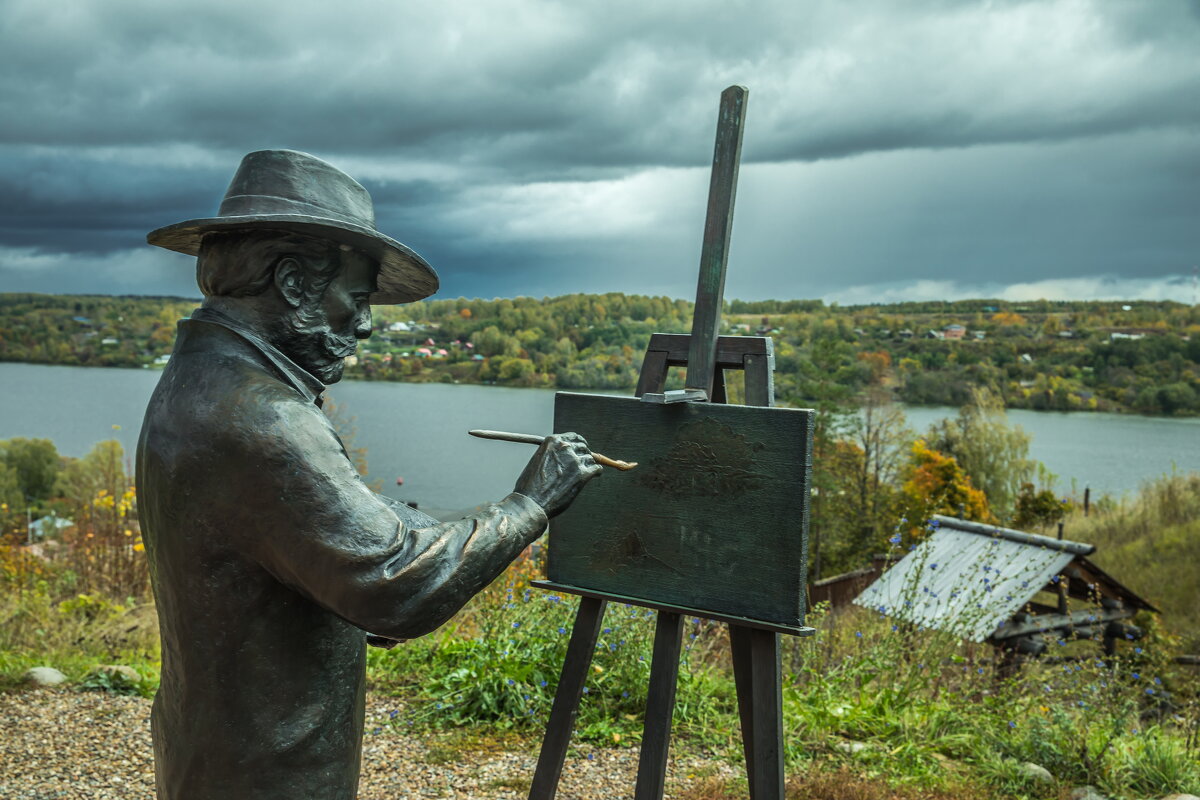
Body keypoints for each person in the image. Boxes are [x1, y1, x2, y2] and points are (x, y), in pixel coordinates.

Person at [137, 150, 600, 800]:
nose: (367, 322)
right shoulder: (266, 420)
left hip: (210, 752)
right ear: (295, 283)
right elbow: (398, 584)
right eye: (355, 297)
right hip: (268, 776)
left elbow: (283, 553)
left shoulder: (196, 382)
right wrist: (530, 503)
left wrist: (343, 583)